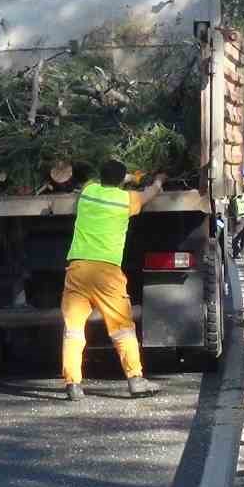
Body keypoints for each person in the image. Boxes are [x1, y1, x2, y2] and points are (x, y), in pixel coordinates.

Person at [61, 160, 166, 401]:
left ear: (101, 177)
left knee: (74, 329)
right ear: (120, 181)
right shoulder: (128, 200)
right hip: (107, 272)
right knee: (121, 328)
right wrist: (158, 180)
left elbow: (103, 181)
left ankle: (73, 384)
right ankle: (135, 380)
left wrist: (127, 178)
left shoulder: (88, 192)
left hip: (77, 268)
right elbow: (151, 193)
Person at [229, 167, 244, 260]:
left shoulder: (242, 189)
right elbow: (234, 201)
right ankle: (236, 252)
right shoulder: (236, 188)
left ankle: (242, 251)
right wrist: (236, 215)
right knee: (237, 234)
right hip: (238, 215)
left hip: (243, 215)